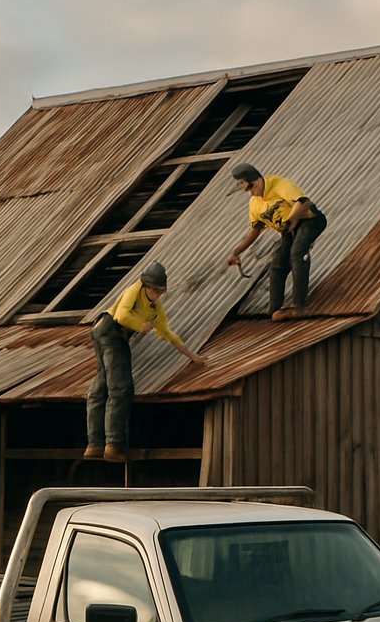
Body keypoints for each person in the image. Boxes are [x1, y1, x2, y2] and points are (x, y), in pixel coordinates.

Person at [84, 261, 207, 463]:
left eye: (160, 292)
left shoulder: (155, 309)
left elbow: (168, 334)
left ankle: (94, 444)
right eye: (154, 290)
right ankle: (113, 444)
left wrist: (192, 356)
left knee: (101, 386)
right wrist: (139, 325)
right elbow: (122, 315)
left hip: (104, 333)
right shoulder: (134, 290)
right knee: (121, 387)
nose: (157, 295)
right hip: (111, 331)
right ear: (146, 286)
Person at [224, 162, 327, 320]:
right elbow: (255, 230)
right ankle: (275, 307)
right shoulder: (254, 203)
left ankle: (299, 304)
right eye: (248, 190)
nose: (252, 193)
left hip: (309, 220)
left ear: (257, 180)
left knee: (297, 253)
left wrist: (291, 219)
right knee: (277, 263)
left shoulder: (280, 184)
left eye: (251, 187)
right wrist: (236, 252)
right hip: (289, 230)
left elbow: (304, 203)